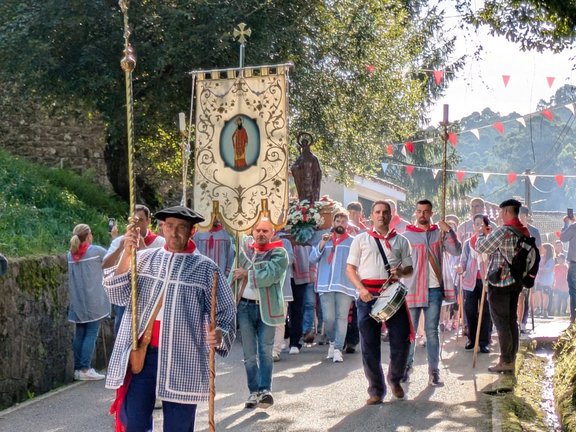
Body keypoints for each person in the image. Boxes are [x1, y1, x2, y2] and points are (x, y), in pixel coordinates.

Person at [104, 205, 236, 432]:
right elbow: (116, 293)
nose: (175, 233)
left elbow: (226, 310)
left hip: (183, 358)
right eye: (170, 226)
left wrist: (220, 333)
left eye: (181, 227)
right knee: (134, 423)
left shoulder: (206, 269)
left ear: (192, 231)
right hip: (141, 356)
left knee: (179, 426)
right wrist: (127, 253)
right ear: (162, 228)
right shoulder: (143, 259)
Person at [346, 200, 414, 404]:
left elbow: (409, 270)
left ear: (391, 215)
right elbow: (350, 269)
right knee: (369, 345)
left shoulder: (401, 240)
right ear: (371, 215)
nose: (381, 215)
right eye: (377, 212)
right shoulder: (360, 239)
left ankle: (395, 379)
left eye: (385, 212)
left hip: (393, 294)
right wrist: (361, 289)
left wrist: (401, 271)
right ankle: (376, 390)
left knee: (401, 340)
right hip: (367, 296)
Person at [402, 199, 461, 386]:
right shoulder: (407, 235)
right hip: (412, 288)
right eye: (419, 211)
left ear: (431, 213)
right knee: (410, 332)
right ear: (415, 212)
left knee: (432, 331)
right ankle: (405, 367)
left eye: (426, 211)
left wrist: (449, 231)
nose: (422, 215)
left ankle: (434, 371)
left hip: (434, 289)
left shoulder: (439, 233)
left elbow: (456, 251)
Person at [231, 218, 288, 409]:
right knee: (248, 354)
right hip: (245, 307)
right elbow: (233, 274)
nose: (261, 234)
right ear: (252, 232)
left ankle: (265, 391)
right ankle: (253, 392)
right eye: (257, 230)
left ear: (272, 233)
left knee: (265, 351)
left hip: (268, 308)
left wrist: (246, 273)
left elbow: (270, 275)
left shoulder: (279, 253)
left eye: (265, 230)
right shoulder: (244, 251)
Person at [475, 199, 528, 374]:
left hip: (500, 282)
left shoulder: (503, 231)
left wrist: (483, 233)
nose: (499, 216)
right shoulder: (523, 231)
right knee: (512, 320)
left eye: (500, 212)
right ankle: (512, 357)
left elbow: (481, 247)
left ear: (506, 212)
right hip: (516, 282)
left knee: (501, 322)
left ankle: (505, 360)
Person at [103, 204, 165, 335]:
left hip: (150, 297)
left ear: (148, 221)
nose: (136, 224)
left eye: (140, 220)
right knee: (122, 335)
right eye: (133, 221)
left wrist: (143, 250)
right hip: (125, 297)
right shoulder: (120, 241)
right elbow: (105, 266)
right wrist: (120, 248)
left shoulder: (160, 242)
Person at [310, 208, 356, 363]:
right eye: (338, 221)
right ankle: (331, 341)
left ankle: (337, 348)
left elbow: (357, 262)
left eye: (343, 221)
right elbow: (312, 259)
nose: (340, 224)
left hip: (345, 285)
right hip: (325, 285)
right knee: (329, 319)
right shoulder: (325, 239)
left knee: (342, 318)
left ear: (347, 223)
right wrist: (322, 243)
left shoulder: (352, 241)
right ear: (333, 222)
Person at [67, 224, 110, 381]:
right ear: (89, 235)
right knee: (91, 333)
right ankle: (85, 368)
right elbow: (113, 258)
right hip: (93, 301)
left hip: (78, 301)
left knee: (80, 333)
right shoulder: (95, 251)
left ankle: (78, 369)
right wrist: (114, 237)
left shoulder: (70, 255)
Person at [458, 214, 491, 353]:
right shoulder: (468, 243)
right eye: (477, 224)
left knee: (485, 311)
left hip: (485, 280)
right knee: (470, 310)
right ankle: (472, 339)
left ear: (486, 226)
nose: (479, 226)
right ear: (473, 226)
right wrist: (460, 268)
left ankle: (484, 341)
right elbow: (463, 260)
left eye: (482, 224)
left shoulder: (490, 241)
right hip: (470, 281)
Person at [517, 206, 542, 332]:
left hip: (529, 267)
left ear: (527, 216)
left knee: (525, 295)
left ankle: (522, 322)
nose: (520, 217)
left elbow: (539, 249)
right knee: (515, 295)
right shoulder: (513, 230)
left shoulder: (534, 231)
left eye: (522, 215)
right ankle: (515, 320)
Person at [290, 132, 322, 203]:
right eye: (303, 146)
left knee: (311, 195)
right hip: (302, 180)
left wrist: (316, 177)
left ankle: (312, 205)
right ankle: (304, 205)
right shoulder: (300, 158)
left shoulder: (313, 158)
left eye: (306, 146)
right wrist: (298, 167)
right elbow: (293, 168)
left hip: (311, 180)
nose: (305, 148)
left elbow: (318, 171)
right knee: (303, 196)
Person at [560, 212, 576, 322]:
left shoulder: (574, 227)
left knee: (574, 290)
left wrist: (566, 223)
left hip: (575, 263)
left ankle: (574, 317)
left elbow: (563, 238)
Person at [533, 243, 555, 318]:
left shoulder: (551, 260)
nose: (541, 249)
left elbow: (548, 269)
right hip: (539, 279)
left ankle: (545, 310)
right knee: (538, 293)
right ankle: (538, 308)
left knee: (545, 295)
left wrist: (540, 269)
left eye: (543, 248)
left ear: (547, 250)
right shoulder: (541, 258)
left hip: (547, 281)